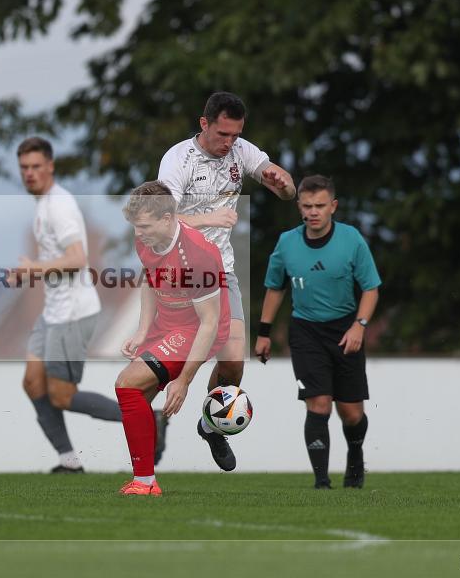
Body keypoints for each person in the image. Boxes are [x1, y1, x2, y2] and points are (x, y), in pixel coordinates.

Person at [157, 91, 296, 471]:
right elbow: (160, 219)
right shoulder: (177, 160)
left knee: (234, 364)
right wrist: (209, 219)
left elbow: (286, 191)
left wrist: (282, 182)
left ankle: (210, 427)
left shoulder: (240, 152)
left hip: (220, 272)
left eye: (236, 135)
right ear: (204, 125)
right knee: (168, 364)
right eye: (223, 135)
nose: (229, 143)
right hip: (179, 272)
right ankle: (157, 418)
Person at [15, 136, 140, 474]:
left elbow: (77, 259)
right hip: (53, 311)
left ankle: (148, 418)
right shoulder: (43, 204)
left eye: (36, 167)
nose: (30, 173)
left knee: (62, 396)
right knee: (32, 383)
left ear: (50, 167)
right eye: (25, 167)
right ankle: (68, 461)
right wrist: (30, 274)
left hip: (72, 313)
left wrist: (33, 269)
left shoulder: (60, 205)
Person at [254, 175, 380, 489]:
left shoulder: (351, 240)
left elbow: (371, 288)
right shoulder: (287, 243)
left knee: (351, 413)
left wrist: (359, 326)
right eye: (307, 206)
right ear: (299, 207)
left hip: (345, 328)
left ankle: (355, 456)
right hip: (305, 331)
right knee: (319, 403)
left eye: (320, 206)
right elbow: (275, 288)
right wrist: (264, 333)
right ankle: (321, 483)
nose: (313, 212)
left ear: (333, 206)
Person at [115, 181, 230, 496]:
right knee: (135, 398)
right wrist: (142, 331)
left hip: (197, 329)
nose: (139, 234)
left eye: (145, 226)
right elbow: (150, 280)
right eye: (136, 227)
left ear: (168, 219)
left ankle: (145, 483)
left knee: (126, 383)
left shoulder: (198, 255)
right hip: (167, 324)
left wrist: (185, 380)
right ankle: (146, 477)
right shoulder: (146, 240)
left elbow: (208, 323)